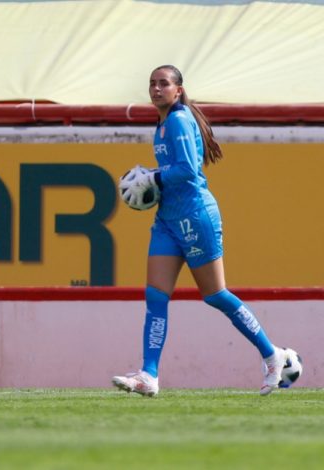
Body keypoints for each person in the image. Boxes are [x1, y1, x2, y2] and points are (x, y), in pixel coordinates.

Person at [111, 65, 290, 397]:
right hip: (167, 219)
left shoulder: (179, 120)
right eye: (152, 83)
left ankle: (272, 355)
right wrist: (154, 178)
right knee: (156, 295)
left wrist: (153, 178)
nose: (156, 89)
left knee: (215, 294)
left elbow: (189, 170)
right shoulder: (163, 123)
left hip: (195, 216)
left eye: (164, 84)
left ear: (178, 90)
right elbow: (174, 170)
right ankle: (149, 375)